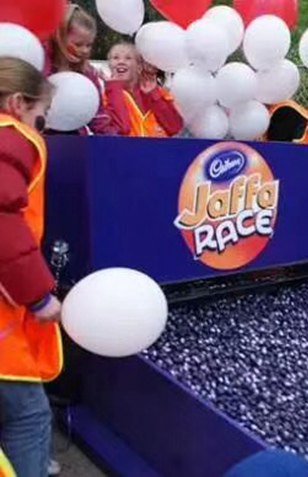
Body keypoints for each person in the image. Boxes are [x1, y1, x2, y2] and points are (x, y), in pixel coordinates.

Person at [0, 57, 64, 477]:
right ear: (19, 104)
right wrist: (38, 296)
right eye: (43, 114)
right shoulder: (12, 135)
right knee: (28, 416)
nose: (43, 126)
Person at [43, 3, 119, 135]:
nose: (85, 50)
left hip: (75, 138)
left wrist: (111, 138)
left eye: (89, 45)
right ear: (59, 38)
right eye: (78, 44)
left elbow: (98, 117)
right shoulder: (41, 64)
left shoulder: (89, 73)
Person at [105, 43, 183, 138]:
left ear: (139, 66)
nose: (121, 62)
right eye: (115, 58)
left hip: (157, 147)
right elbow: (121, 129)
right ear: (110, 65)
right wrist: (114, 87)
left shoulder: (159, 92)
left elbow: (175, 127)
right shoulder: (105, 96)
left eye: (128, 58)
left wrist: (154, 95)